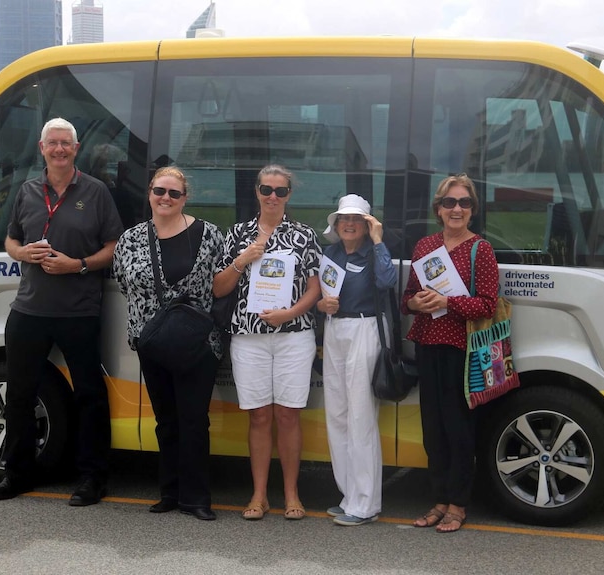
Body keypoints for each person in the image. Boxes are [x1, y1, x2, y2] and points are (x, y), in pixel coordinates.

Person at [0, 117, 124, 505]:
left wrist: (77, 264)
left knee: (89, 396)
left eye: (66, 143)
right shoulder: (28, 191)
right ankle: (18, 473)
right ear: (42, 148)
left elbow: (114, 245)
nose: (60, 149)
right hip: (29, 309)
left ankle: (92, 478)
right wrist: (21, 253)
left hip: (79, 310)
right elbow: (12, 239)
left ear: (76, 149)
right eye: (53, 143)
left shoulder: (96, 192)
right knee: (19, 395)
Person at [113, 167, 224, 521]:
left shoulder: (208, 234)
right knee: (166, 421)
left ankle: (197, 498)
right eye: (160, 191)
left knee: (194, 420)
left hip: (197, 343)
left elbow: (220, 283)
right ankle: (169, 492)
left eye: (174, 194)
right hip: (154, 343)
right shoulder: (130, 239)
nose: (166, 198)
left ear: (184, 198)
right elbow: (123, 282)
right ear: (149, 193)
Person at [213, 164, 322, 521]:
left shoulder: (304, 235)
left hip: (294, 335)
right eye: (266, 190)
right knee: (259, 416)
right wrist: (242, 260)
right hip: (248, 337)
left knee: (288, 416)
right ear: (256, 192)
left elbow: (315, 288)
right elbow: (219, 288)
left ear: (289, 195)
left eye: (280, 191)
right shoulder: (237, 233)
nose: (272, 196)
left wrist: (290, 313)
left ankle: (292, 494)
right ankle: (259, 495)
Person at [401, 174, 498, 533]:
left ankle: (458, 504)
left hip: (462, 350)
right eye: (449, 203)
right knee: (433, 430)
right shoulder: (425, 247)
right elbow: (408, 298)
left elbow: (487, 305)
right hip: (429, 345)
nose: (456, 209)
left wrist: (447, 302)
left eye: (464, 203)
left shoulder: (480, 250)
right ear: (438, 209)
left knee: (458, 430)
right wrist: (416, 301)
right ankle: (439, 500)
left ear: (472, 209)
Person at [316, 194, 397, 526]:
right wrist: (323, 307)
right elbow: (319, 296)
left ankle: (365, 504)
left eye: (356, 220)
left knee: (361, 417)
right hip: (336, 331)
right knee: (337, 414)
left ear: (367, 225)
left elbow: (387, 281)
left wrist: (378, 241)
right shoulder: (330, 253)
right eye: (343, 219)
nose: (348, 224)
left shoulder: (373, 251)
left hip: (365, 329)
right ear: (335, 224)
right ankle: (349, 495)